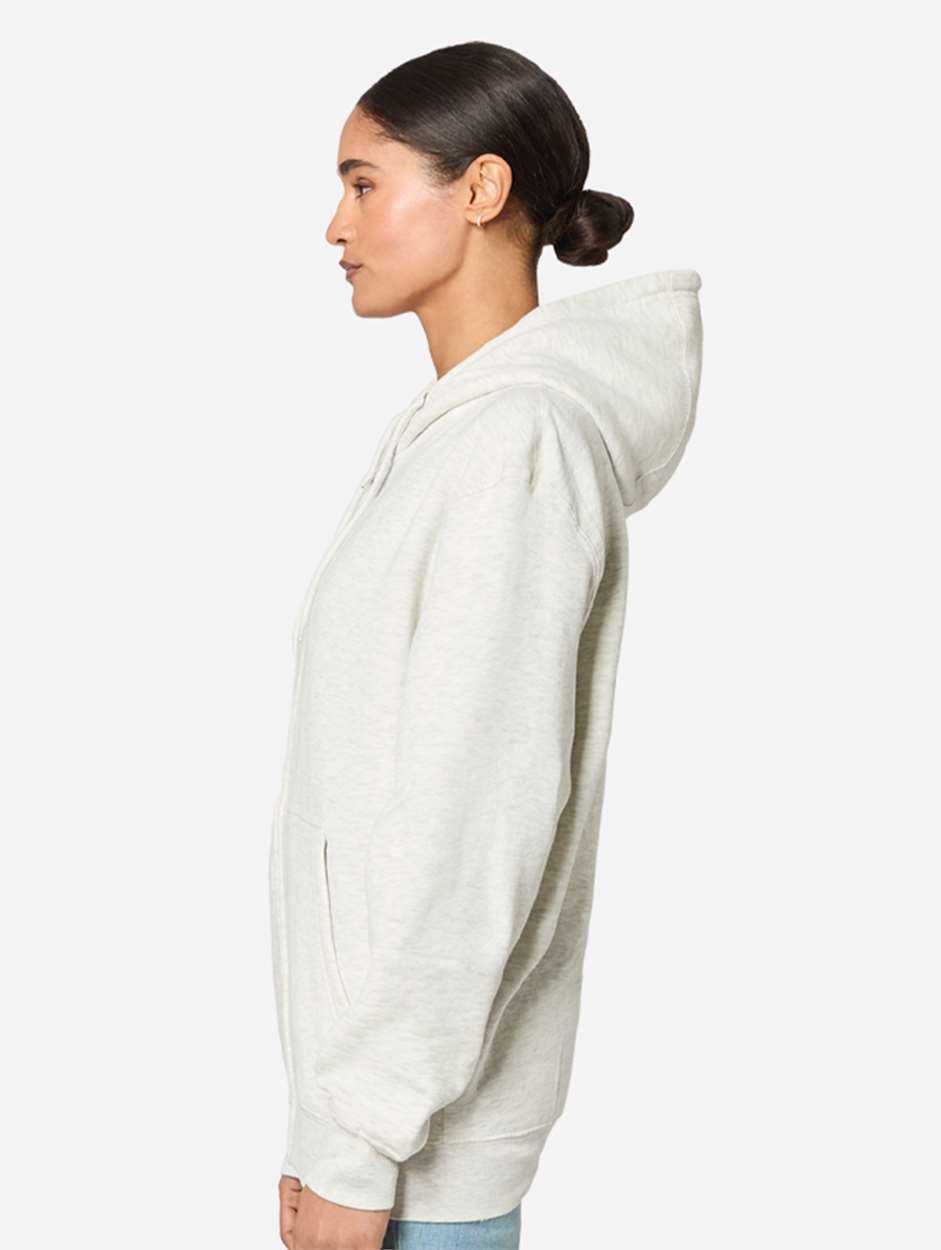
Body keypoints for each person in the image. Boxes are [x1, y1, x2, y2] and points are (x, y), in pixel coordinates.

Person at [268, 40, 703, 1250]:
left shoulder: (516, 443)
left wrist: (356, 1144)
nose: (334, 225)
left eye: (363, 183)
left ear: (480, 188)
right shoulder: (459, 433)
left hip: (414, 1160)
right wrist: (327, 1129)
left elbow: (470, 824)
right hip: (386, 1138)